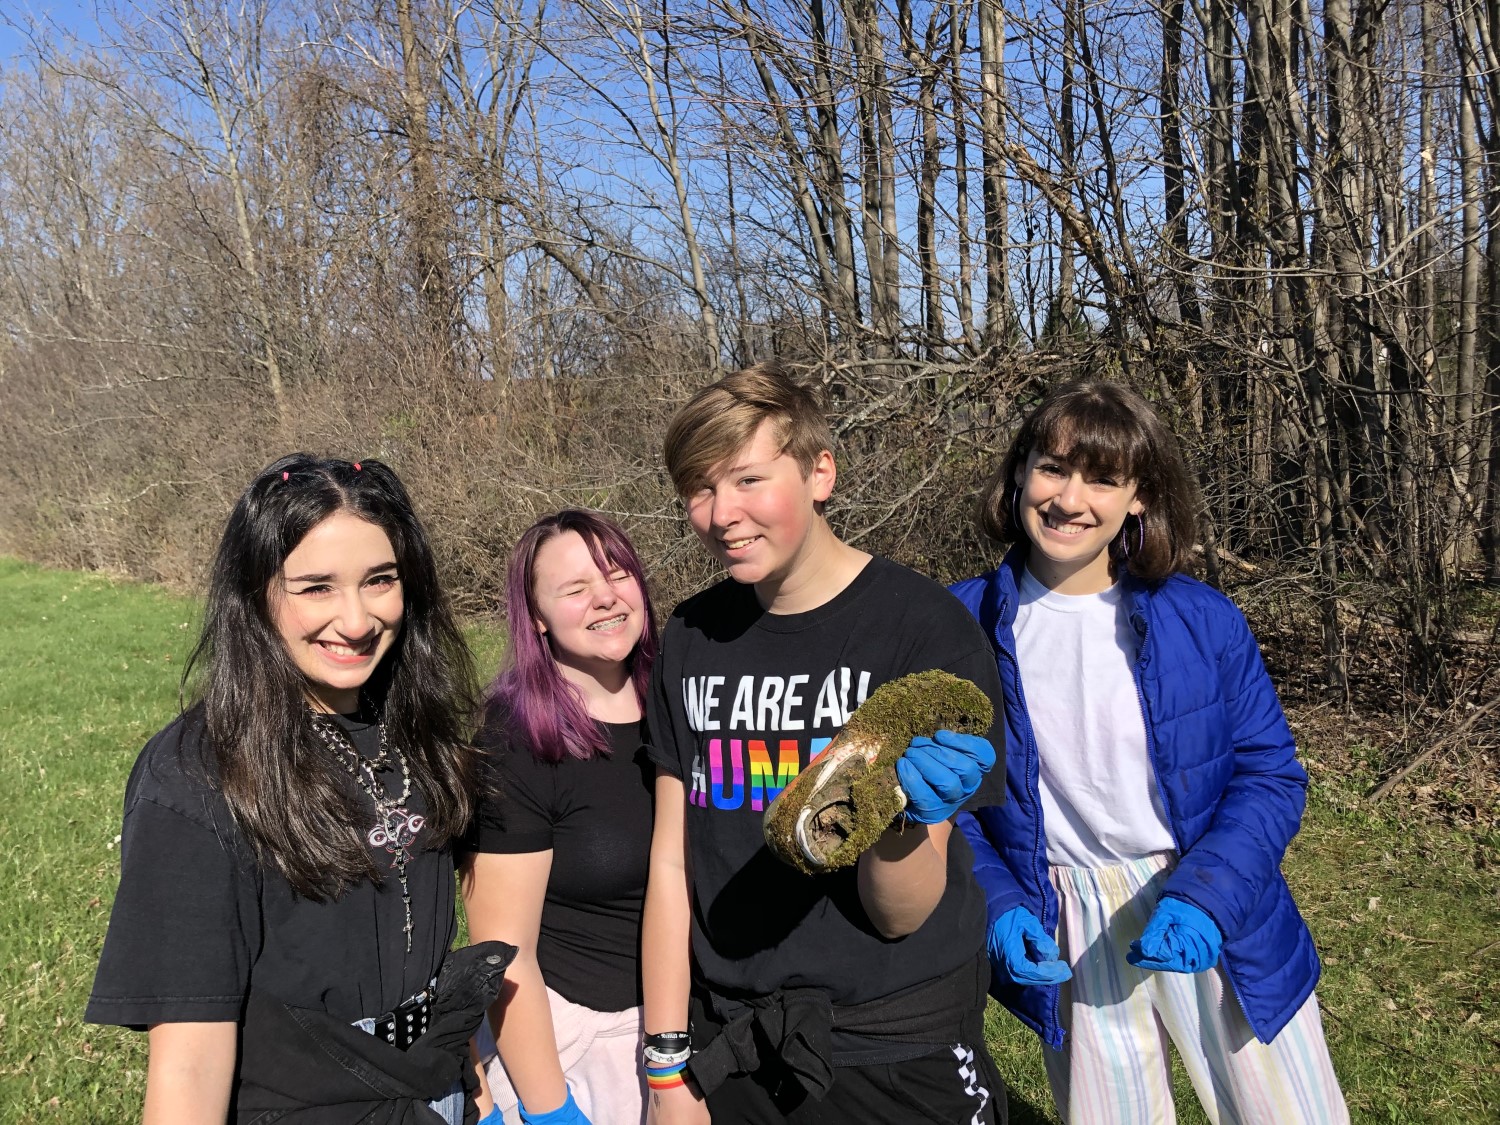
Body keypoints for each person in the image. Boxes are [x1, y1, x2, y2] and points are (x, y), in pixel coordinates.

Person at [951, 380, 1348, 1125]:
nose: (1070, 499)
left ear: (1139, 497)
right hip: (1067, 917)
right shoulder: (956, 624)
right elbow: (951, 805)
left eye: (1102, 478)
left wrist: (1206, 901)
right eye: (1052, 468)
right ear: (1020, 472)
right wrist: (998, 906)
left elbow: (1269, 775)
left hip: (1209, 895)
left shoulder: (1201, 618)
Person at [87, 454, 508, 1125]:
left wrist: (469, 1079)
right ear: (255, 594)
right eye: (316, 588)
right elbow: (189, 1060)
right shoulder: (197, 776)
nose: (356, 620)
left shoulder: (417, 731)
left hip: (435, 1093)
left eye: (380, 580)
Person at [641, 362, 1009, 1125]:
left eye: (748, 479)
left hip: (893, 1046)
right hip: (734, 1046)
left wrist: (903, 823)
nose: (722, 513)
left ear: (820, 473)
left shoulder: (923, 630)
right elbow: (672, 864)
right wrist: (667, 1067)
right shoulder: (691, 637)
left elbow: (899, 916)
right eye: (700, 489)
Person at [463, 510, 658, 1125]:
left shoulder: (683, 702)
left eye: (617, 574)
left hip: (685, 1029)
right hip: (579, 1046)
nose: (605, 596)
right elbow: (503, 953)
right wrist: (551, 1110)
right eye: (575, 588)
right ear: (537, 618)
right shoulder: (515, 740)